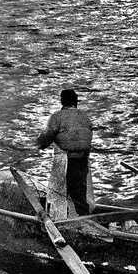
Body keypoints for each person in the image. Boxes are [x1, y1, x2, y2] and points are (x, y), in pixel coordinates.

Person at [36, 88, 94, 218]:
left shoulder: (57, 117)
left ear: (62, 101)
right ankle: (85, 218)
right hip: (83, 160)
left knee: (59, 193)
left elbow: (46, 139)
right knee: (79, 194)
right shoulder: (84, 117)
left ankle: (59, 219)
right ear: (76, 102)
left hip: (66, 161)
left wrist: (37, 145)